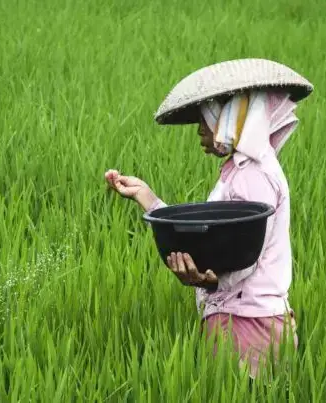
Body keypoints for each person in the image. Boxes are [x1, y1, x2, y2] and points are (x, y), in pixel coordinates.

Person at [104, 88, 300, 380]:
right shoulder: (241, 170)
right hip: (253, 320)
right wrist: (147, 199)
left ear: (230, 120)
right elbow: (211, 237)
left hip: (245, 324)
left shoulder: (253, 176)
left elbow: (246, 255)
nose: (199, 131)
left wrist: (209, 279)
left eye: (205, 120)